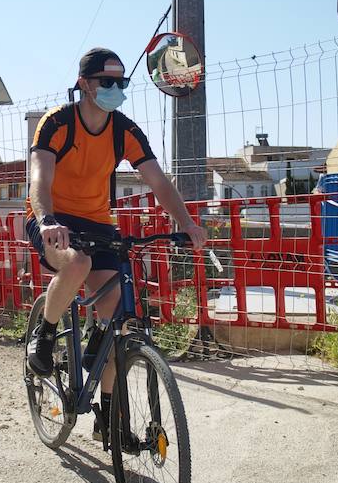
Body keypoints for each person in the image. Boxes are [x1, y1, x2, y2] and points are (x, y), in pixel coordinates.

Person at [25, 47, 207, 440]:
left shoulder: (124, 130)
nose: (114, 89)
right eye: (106, 82)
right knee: (76, 265)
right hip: (52, 217)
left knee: (114, 322)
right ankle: (45, 330)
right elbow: (39, 179)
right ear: (84, 85)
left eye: (121, 83)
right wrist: (47, 220)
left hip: (97, 221)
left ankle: (108, 419)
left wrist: (188, 223)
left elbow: (158, 182)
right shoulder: (56, 123)